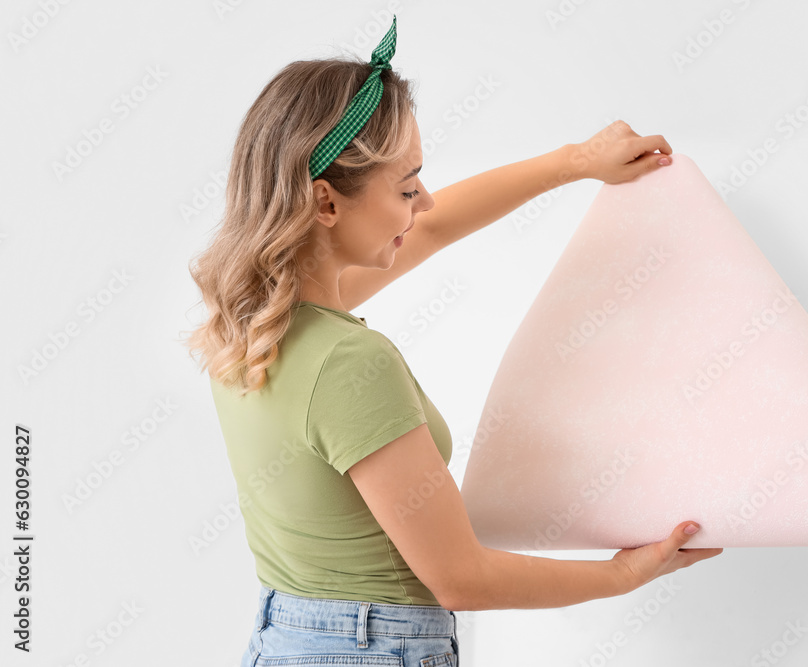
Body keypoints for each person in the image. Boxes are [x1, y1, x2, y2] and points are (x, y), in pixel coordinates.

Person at [182, 15, 723, 667]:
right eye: (408, 187)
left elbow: (433, 230)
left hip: (287, 639)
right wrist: (625, 574)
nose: (427, 201)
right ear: (326, 204)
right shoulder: (348, 361)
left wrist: (576, 162)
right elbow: (459, 577)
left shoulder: (250, 321)